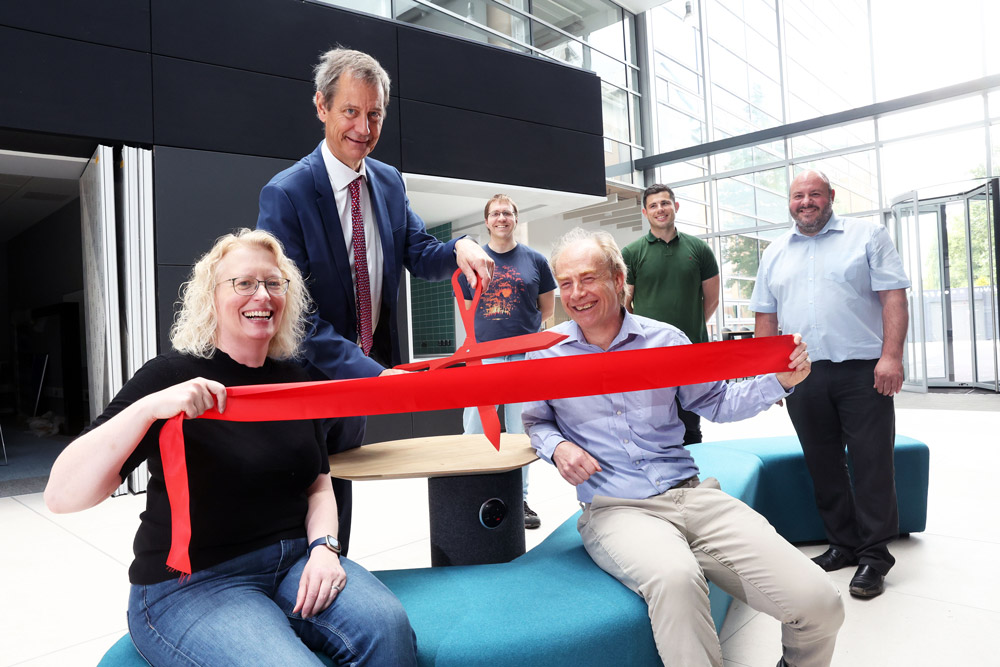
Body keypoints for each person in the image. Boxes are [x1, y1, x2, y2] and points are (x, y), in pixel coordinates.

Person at [44, 229, 417, 666]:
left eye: (273, 283)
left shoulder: (298, 378)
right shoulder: (170, 377)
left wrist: (325, 549)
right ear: (210, 296)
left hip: (295, 560)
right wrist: (147, 409)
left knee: (389, 628)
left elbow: (319, 486)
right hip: (193, 584)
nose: (262, 294)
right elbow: (62, 496)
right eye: (244, 283)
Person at [522, 228, 843, 667]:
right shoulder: (545, 356)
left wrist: (777, 381)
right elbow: (537, 422)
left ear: (618, 279)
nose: (576, 294)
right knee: (676, 580)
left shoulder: (666, 340)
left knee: (819, 602)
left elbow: (716, 402)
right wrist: (558, 448)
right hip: (615, 506)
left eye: (588, 278)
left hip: (691, 492)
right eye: (566, 283)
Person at [257, 48, 493, 553]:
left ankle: (334, 590)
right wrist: (367, 371)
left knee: (340, 502)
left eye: (375, 114)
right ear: (321, 106)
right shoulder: (287, 194)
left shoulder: (388, 181)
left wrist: (461, 248)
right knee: (297, 506)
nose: (363, 127)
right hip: (306, 382)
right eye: (350, 111)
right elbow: (291, 315)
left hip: (360, 382)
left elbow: (419, 251)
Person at [750, 169, 910, 599]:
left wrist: (891, 356)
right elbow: (766, 318)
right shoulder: (775, 252)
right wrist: (770, 378)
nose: (806, 201)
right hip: (802, 375)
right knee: (822, 463)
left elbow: (893, 295)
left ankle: (875, 557)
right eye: (798, 195)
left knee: (872, 463)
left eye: (815, 194)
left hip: (863, 370)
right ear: (789, 202)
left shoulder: (867, 236)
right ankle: (842, 544)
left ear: (831, 197)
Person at [458, 194, 556, 529]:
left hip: (524, 358)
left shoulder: (536, 261)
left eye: (507, 213)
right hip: (484, 358)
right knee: (474, 430)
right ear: (486, 221)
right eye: (495, 213)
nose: (502, 218)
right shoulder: (473, 261)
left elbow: (547, 310)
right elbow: (468, 309)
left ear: (516, 218)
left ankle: (520, 498)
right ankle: (471, 492)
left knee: (521, 433)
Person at [623, 183, 720, 445]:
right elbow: (625, 305)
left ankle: (695, 484)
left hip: (692, 352)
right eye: (653, 205)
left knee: (691, 426)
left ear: (675, 207)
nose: (660, 209)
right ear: (645, 213)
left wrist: (683, 332)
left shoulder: (699, 249)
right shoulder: (631, 253)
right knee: (652, 426)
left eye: (665, 203)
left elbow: (711, 300)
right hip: (649, 355)